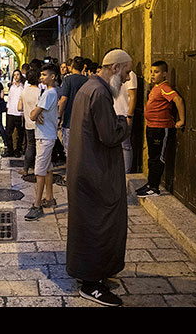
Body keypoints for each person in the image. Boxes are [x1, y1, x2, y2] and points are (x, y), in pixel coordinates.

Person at [66, 49, 133, 307]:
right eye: (126, 72)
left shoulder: (89, 88)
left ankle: (95, 275)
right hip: (94, 174)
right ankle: (91, 283)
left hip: (88, 170)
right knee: (97, 226)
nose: (127, 79)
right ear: (114, 68)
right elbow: (109, 135)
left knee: (92, 225)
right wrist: (125, 123)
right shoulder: (99, 93)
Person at [136, 60, 185, 198]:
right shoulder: (156, 87)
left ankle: (154, 187)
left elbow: (178, 100)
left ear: (164, 74)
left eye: (156, 72)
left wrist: (181, 120)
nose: (152, 75)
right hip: (152, 127)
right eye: (151, 72)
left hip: (160, 128)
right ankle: (150, 183)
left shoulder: (165, 87)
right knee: (152, 158)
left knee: (158, 158)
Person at [25, 63, 60, 221]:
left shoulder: (49, 93)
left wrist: (35, 112)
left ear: (53, 77)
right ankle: (50, 198)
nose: (41, 77)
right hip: (47, 134)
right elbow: (37, 113)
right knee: (48, 168)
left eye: (45, 75)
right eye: (41, 75)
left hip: (44, 136)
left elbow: (33, 115)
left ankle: (37, 205)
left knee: (39, 171)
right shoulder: (49, 92)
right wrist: (37, 112)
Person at [57, 56, 88, 161]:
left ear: (72, 66)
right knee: (82, 151)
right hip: (84, 121)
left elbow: (63, 99)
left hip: (69, 120)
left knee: (69, 151)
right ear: (83, 67)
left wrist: (59, 116)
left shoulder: (68, 80)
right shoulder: (87, 80)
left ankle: (70, 175)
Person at [113, 66, 138, 174]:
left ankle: (126, 174)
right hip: (113, 114)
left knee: (125, 146)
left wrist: (129, 116)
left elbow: (133, 97)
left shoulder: (130, 74)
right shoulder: (113, 75)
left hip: (124, 114)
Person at [17, 68, 41, 178]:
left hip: (28, 123)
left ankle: (26, 169)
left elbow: (19, 108)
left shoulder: (24, 91)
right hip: (40, 124)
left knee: (30, 145)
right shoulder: (40, 92)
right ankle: (38, 169)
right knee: (39, 147)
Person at [3, 69, 25, 157]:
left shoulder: (23, 87)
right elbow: (10, 98)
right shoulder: (11, 87)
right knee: (8, 132)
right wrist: (8, 108)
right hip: (11, 112)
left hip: (19, 113)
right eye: (14, 75)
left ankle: (17, 150)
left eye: (18, 75)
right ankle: (10, 149)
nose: (16, 76)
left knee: (20, 133)